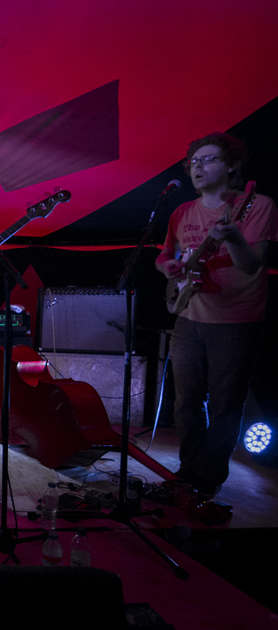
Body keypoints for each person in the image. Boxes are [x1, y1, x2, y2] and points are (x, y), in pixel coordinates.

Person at [156, 132, 276, 498]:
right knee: (186, 402)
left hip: (236, 321)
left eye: (208, 159)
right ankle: (188, 471)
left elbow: (253, 264)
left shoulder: (258, 206)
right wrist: (170, 268)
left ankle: (207, 481)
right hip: (188, 316)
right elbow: (164, 257)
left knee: (226, 404)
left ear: (232, 166)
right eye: (193, 161)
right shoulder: (182, 212)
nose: (197, 167)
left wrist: (234, 237)